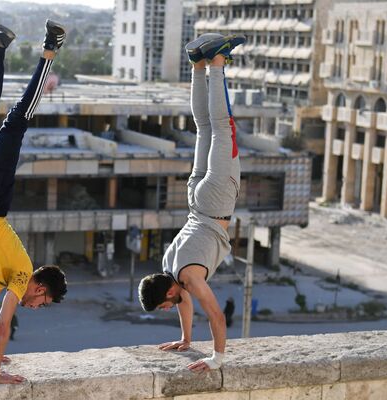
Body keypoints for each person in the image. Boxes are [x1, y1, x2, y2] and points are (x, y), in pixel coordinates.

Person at [0, 13, 68, 385]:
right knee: (16, 122)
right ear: (40, 288)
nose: (35, 307)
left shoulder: (5, 276)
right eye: (43, 302)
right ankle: (50, 49)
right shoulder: (21, 276)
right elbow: (2, 326)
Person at [138, 33, 245, 373]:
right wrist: (185, 340)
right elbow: (184, 302)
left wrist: (217, 358)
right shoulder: (171, 265)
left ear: (167, 292)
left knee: (222, 127)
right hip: (196, 199)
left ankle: (216, 62)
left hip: (216, 199)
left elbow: (215, 315)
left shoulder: (191, 279)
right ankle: (198, 63)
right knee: (203, 128)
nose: (170, 308)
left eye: (164, 306)